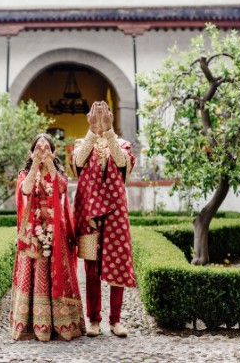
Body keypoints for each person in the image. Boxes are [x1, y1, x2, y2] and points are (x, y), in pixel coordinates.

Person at [11, 133, 84, 342]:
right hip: (33, 232)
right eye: (38, 148)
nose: (42, 151)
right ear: (32, 151)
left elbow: (60, 188)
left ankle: (63, 325)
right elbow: (25, 190)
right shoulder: (25, 173)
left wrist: (50, 164)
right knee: (35, 276)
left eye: (46, 148)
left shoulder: (59, 172)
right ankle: (34, 325)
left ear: (53, 152)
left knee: (58, 273)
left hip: (55, 232)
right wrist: (35, 164)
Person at [72, 100, 136, 337]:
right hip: (89, 216)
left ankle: (116, 320)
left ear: (111, 116)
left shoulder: (122, 145)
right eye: (95, 114)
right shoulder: (82, 144)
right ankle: (94, 320)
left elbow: (121, 163)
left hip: (115, 216)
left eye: (105, 113)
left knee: (117, 264)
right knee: (90, 269)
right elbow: (78, 163)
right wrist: (92, 130)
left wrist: (108, 131)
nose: (100, 117)